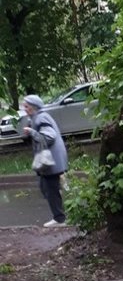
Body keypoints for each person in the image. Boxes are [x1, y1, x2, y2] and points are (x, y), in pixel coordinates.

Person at [22, 95, 69, 227]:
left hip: (51, 161)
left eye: (26, 106)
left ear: (33, 106)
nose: (24, 109)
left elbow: (49, 137)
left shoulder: (41, 117)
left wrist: (32, 132)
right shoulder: (38, 117)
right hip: (52, 160)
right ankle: (59, 215)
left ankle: (60, 219)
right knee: (46, 187)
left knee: (49, 189)